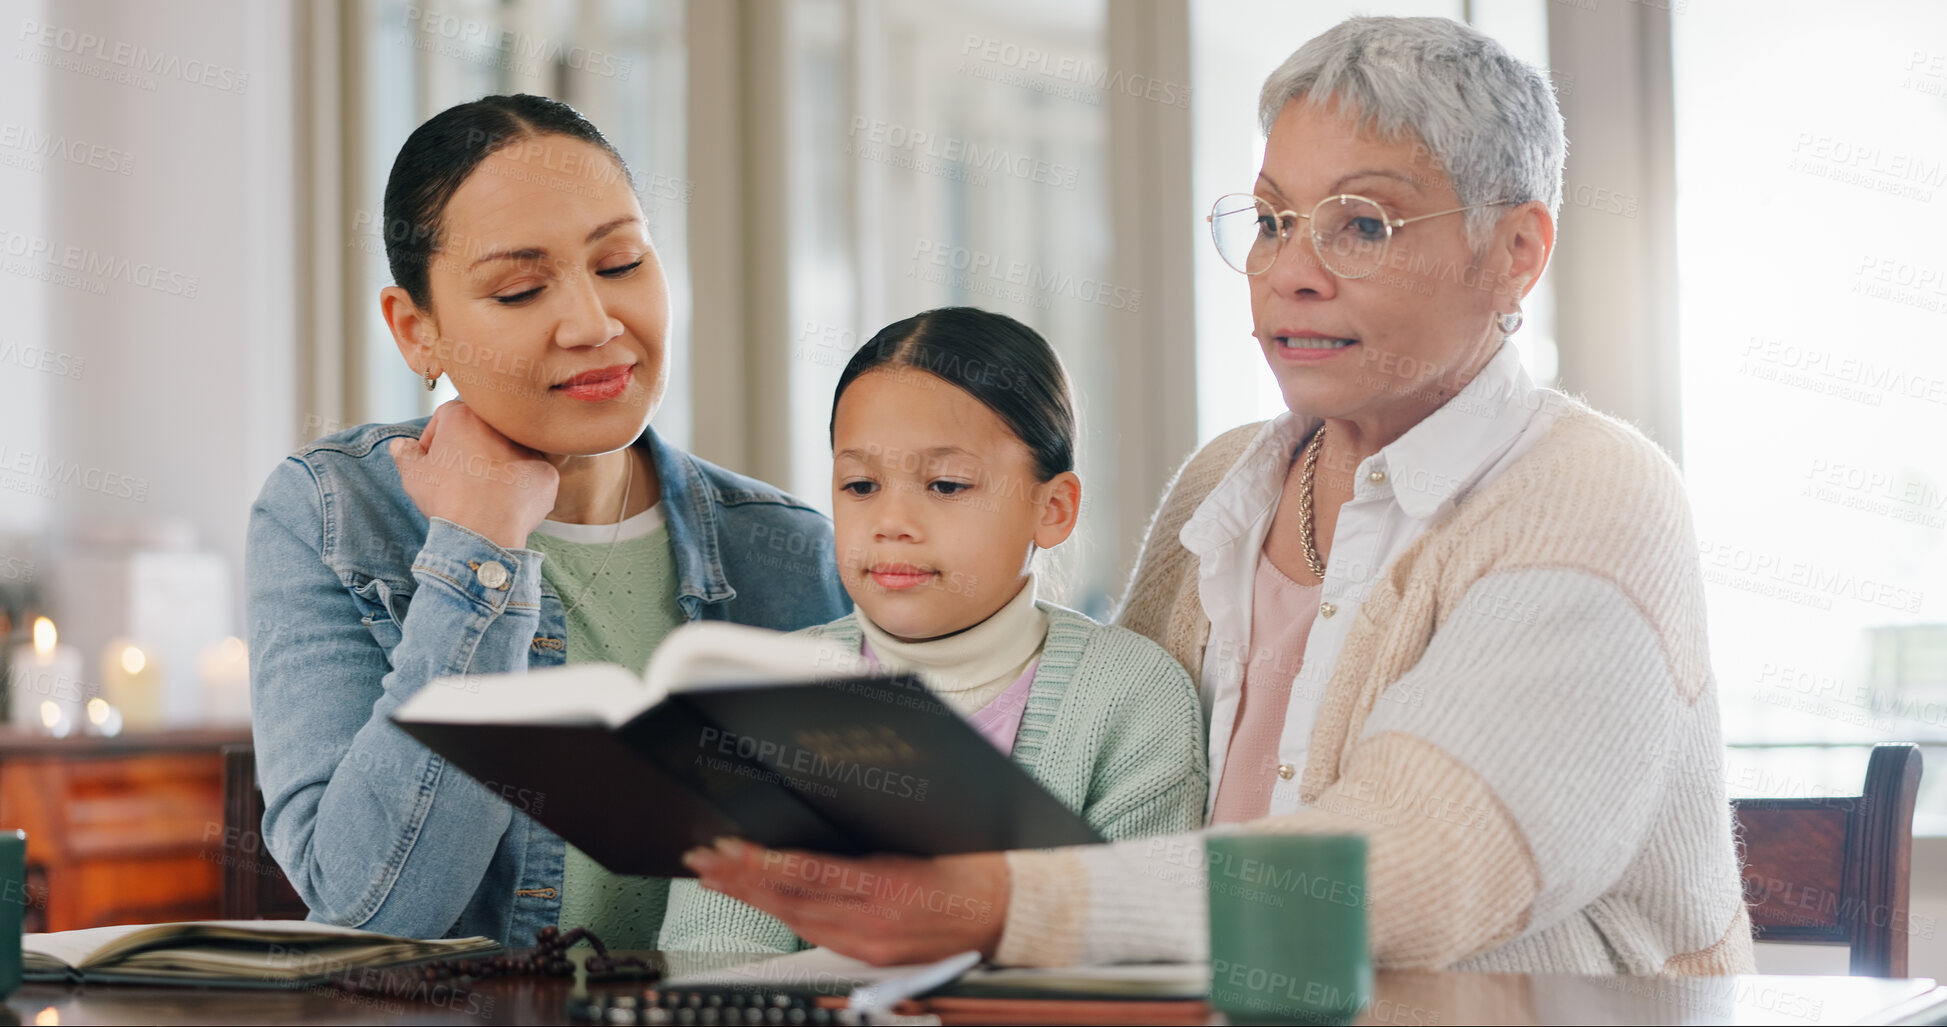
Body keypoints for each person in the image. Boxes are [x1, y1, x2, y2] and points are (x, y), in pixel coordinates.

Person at [685, 16, 1755, 976]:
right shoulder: (1228, 479)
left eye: (1363, 225)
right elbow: (1110, 773)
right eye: (1274, 218)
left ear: (1515, 251)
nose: (1289, 270)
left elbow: (1421, 869)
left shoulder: (1593, 495)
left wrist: (998, 901)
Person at [246, 94, 849, 946]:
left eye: (619, 263)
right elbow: (370, 914)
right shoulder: (334, 513)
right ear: (417, 331)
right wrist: (477, 554)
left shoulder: (786, 548)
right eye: (520, 288)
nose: (594, 323)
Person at [661, 307, 1208, 952]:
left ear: (1053, 508)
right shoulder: (761, 696)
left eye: (946, 485)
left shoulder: (1132, 694)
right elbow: (715, 958)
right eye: (860, 485)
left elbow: (1137, 956)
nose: (891, 521)